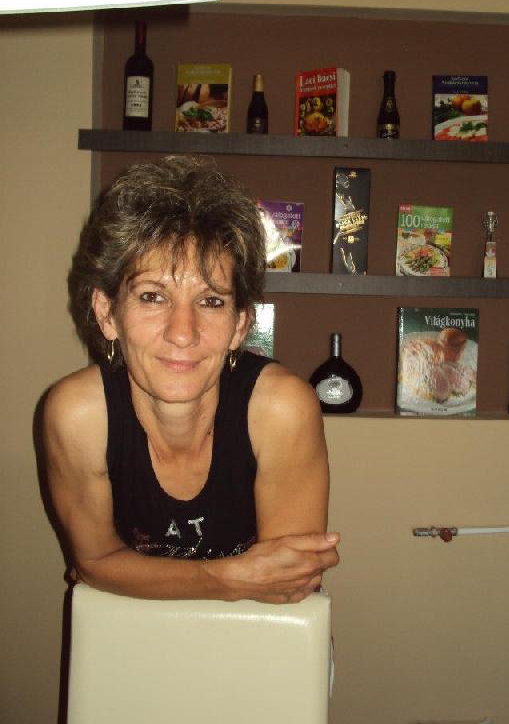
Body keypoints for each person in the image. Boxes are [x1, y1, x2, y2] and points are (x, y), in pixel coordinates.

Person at [43, 155, 339, 603]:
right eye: (152, 297)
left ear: (241, 324)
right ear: (107, 313)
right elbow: (94, 562)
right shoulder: (78, 416)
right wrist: (229, 578)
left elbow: (288, 585)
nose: (182, 333)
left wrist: (130, 574)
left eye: (211, 301)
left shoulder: (281, 410)